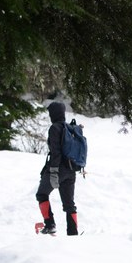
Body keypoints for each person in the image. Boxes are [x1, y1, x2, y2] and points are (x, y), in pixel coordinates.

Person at [36, 101, 78, 236]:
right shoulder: (70, 127)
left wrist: (53, 171)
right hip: (71, 170)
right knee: (69, 204)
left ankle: (50, 225)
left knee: (42, 194)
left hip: (58, 169)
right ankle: (73, 234)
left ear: (53, 114)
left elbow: (56, 152)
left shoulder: (55, 128)